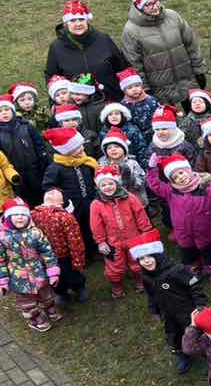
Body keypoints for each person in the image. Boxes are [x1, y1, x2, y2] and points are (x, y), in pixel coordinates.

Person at [121, 0, 206, 107]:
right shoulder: (131, 31)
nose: (155, 7)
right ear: (139, 6)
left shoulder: (173, 16)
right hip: (160, 91)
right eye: (148, 4)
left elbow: (191, 44)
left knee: (197, 115)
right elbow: (134, 63)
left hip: (186, 81)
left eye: (156, 2)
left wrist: (199, 70)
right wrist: (144, 88)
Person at [147, 153, 211, 280]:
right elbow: (155, 185)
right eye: (175, 177)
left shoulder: (204, 188)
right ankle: (194, 271)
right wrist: (152, 169)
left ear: (189, 171)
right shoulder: (170, 191)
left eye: (181, 173)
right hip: (183, 232)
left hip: (203, 231)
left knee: (208, 252)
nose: (180, 177)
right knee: (188, 254)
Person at [132, 229, 204, 374]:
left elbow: (194, 285)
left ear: (158, 256)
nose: (146, 261)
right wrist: (154, 310)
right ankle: (181, 353)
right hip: (168, 314)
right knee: (174, 334)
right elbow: (151, 295)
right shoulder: (146, 277)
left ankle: (204, 355)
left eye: (150, 256)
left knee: (195, 332)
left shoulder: (176, 270)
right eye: (142, 258)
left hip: (187, 310)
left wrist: (200, 304)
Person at [0, 198, 61, 332]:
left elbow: (47, 251)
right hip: (19, 279)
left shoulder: (35, 233)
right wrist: (1, 281)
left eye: (23, 214)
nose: (20, 217)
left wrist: (52, 270)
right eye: (16, 214)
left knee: (46, 295)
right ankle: (35, 319)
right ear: (8, 217)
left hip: (39, 273)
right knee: (27, 303)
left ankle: (50, 309)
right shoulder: (1, 238)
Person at [44, 0, 129, 101]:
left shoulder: (103, 39)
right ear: (66, 24)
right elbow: (52, 80)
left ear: (87, 20)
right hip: (78, 106)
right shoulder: (56, 47)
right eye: (72, 20)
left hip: (112, 102)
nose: (78, 24)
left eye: (81, 19)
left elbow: (122, 68)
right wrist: (56, 105)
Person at [90, 165, 152, 300]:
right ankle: (116, 285)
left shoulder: (129, 197)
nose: (107, 187)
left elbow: (140, 214)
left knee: (137, 260)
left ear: (117, 183)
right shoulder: (96, 204)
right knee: (115, 265)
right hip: (113, 242)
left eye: (110, 183)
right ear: (98, 186)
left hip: (133, 237)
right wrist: (100, 241)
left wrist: (146, 231)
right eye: (103, 185)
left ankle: (139, 280)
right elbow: (96, 225)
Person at [40, 127, 100, 250]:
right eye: (77, 148)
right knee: (77, 229)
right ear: (66, 151)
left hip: (89, 201)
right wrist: (64, 199)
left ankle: (94, 248)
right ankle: (83, 251)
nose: (82, 149)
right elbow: (48, 186)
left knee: (92, 224)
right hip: (72, 205)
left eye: (81, 145)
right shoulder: (56, 168)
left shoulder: (85, 161)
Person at [0, 92, 50, 205]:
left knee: (39, 194)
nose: (4, 113)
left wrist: (43, 160)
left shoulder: (26, 126)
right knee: (22, 199)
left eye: (7, 109)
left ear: (13, 111)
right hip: (14, 174)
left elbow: (39, 144)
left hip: (34, 169)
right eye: (0, 111)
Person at [30, 188, 89, 306]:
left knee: (68, 275)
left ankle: (76, 289)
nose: (51, 192)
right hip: (52, 256)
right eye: (50, 192)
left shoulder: (63, 217)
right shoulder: (33, 215)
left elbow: (74, 240)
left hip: (60, 256)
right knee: (59, 277)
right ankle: (65, 293)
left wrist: (77, 259)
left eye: (55, 193)